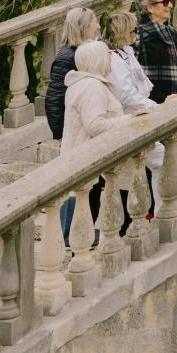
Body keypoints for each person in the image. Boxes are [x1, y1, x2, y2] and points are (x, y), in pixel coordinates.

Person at [44, 7, 103, 246]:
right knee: (73, 187)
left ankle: (80, 231)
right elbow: (54, 98)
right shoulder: (68, 57)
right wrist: (60, 134)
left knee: (92, 185)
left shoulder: (87, 53)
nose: (98, 26)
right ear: (82, 27)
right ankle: (66, 235)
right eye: (94, 23)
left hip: (84, 131)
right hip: (74, 133)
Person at [61, 41, 126, 251]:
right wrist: (128, 120)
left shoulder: (81, 84)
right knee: (86, 209)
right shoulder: (92, 87)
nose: (110, 61)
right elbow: (94, 125)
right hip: (88, 157)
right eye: (107, 57)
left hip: (81, 155)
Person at [105, 10, 164, 229]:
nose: (136, 33)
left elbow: (141, 84)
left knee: (158, 159)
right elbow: (126, 94)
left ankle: (157, 211)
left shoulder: (127, 52)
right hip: (128, 116)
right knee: (157, 158)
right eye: (133, 30)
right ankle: (157, 214)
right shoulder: (113, 58)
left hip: (139, 111)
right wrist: (152, 106)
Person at [133, 0, 177, 104]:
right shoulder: (138, 34)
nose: (171, 5)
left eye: (169, 1)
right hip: (152, 107)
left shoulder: (171, 31)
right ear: (150, 7)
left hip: (175, 101)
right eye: (165, 2)